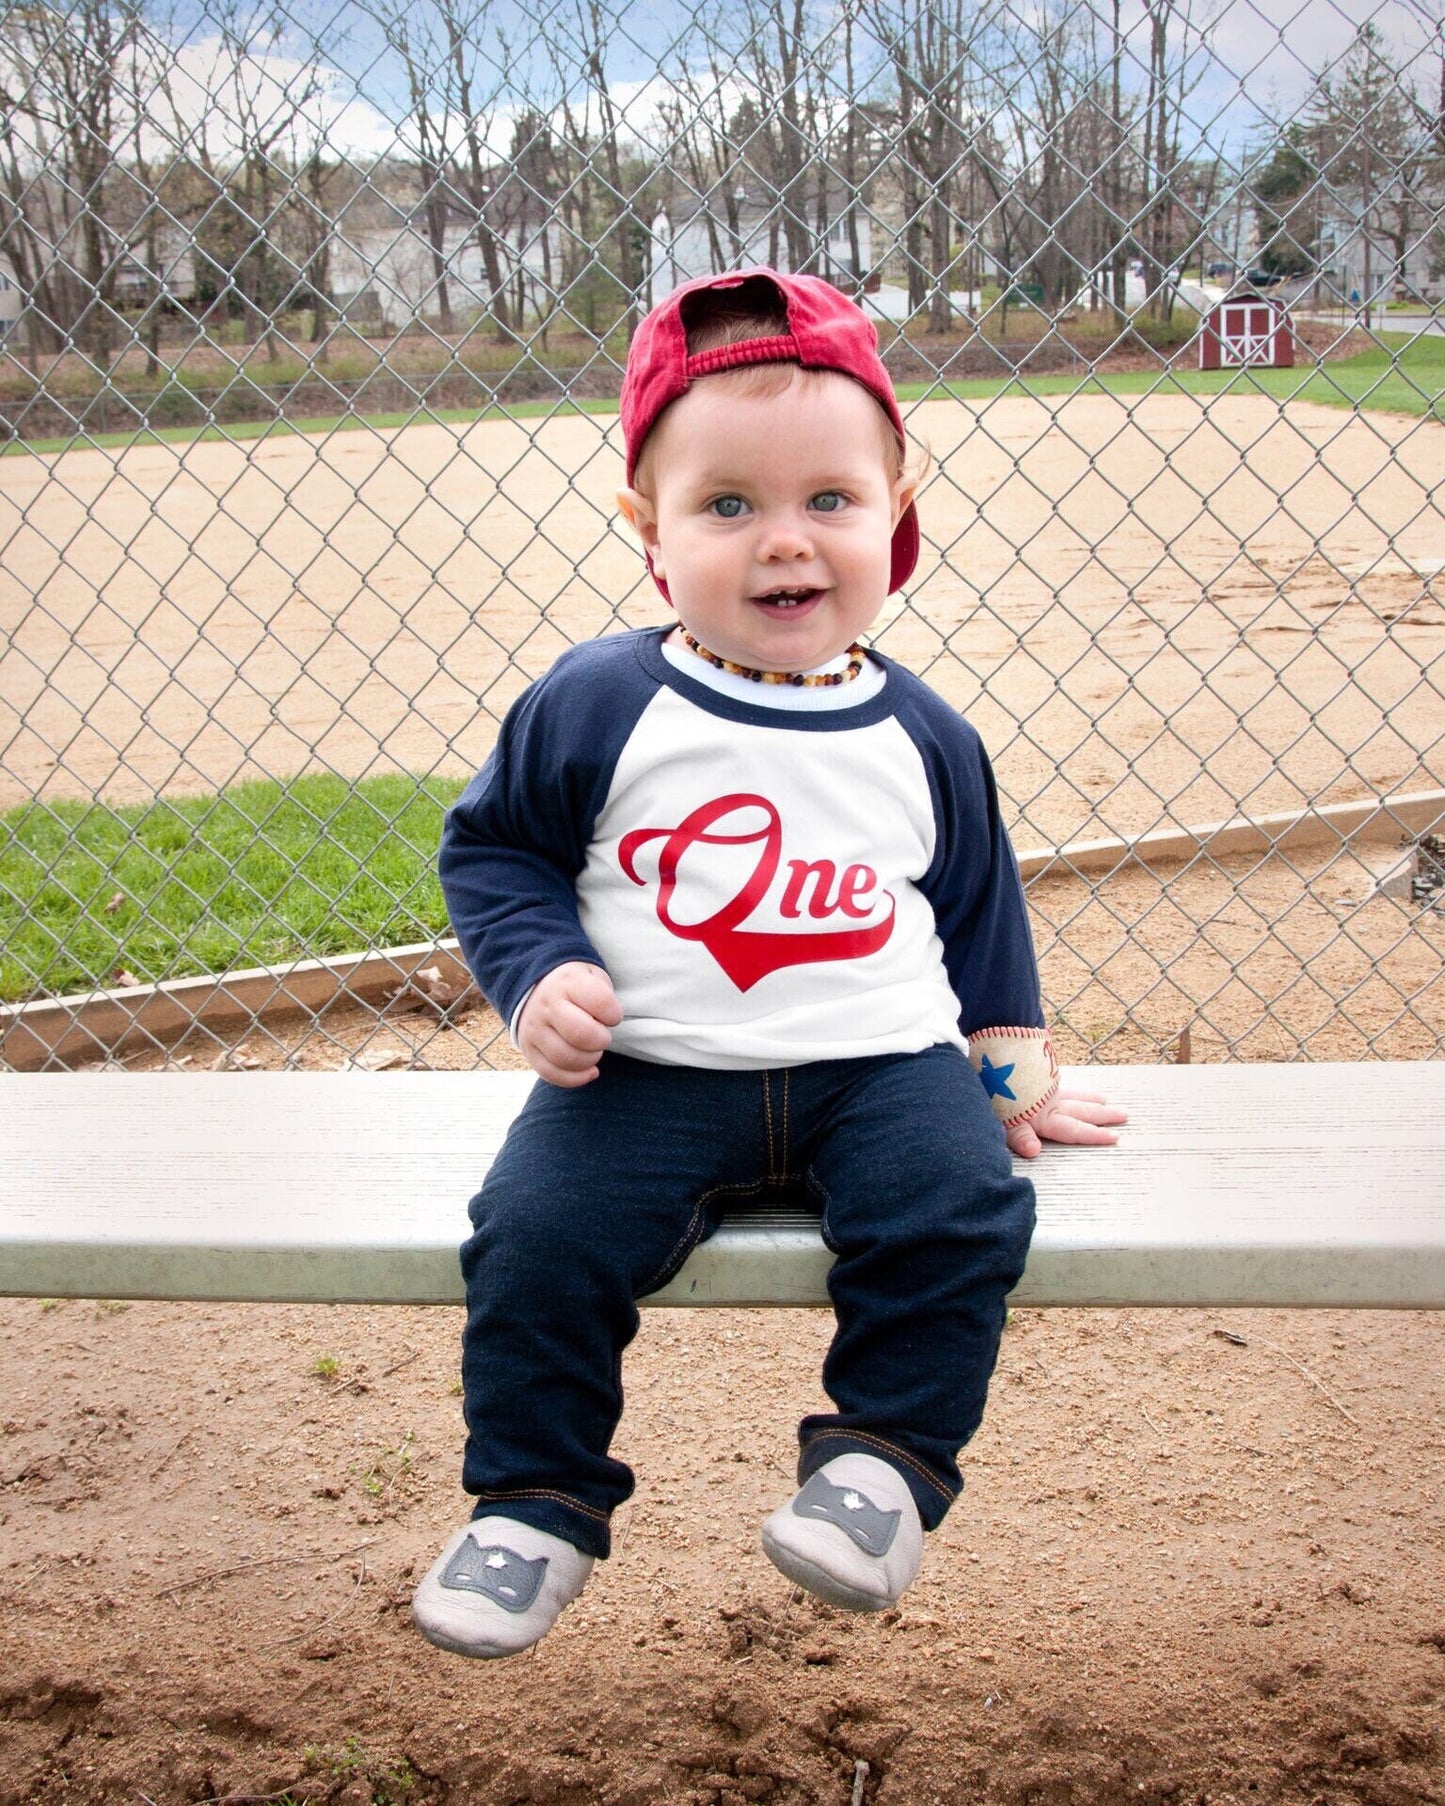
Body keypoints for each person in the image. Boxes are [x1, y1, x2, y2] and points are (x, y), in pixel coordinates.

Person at [412, 268, 1125, 1661]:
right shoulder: (598, 700)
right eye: (727, 505)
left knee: (960, 1210)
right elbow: (493, 851)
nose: (783, 543)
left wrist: (1009, 1073)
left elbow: (978, 914)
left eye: (828, 502)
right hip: (648, 1075)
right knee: (534, 1236)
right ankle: (536, 1498)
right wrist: (538, 969)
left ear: (894, 519)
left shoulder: (921, 733)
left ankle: (878, 1469)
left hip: (879, 1072)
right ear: (650, 534)